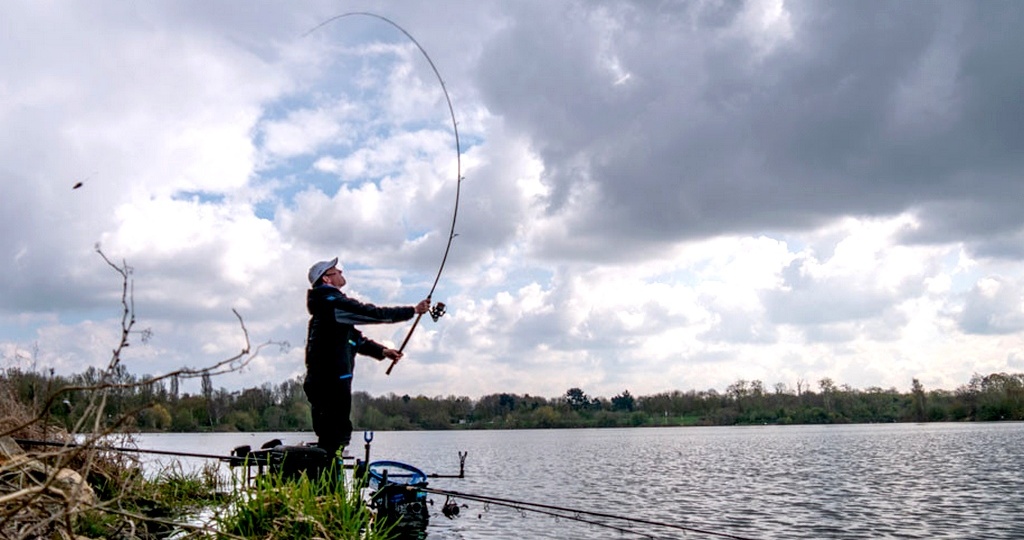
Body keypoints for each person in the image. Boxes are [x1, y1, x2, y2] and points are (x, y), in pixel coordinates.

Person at [303, 257, 430, 456]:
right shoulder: (332, 303)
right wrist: (412, 310)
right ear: (326, 279)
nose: (341, 273)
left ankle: (328, 481)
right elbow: (373, 313)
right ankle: (328, 480)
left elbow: (354, 340)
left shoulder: (327, 309)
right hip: (329, 382)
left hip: (327, 382)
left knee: (335, 435)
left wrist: (382, 351)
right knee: (334, 435)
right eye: (337, 271)